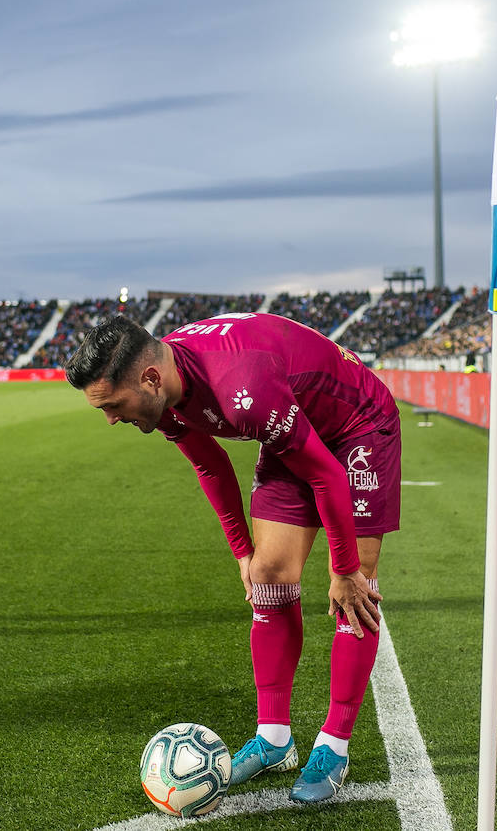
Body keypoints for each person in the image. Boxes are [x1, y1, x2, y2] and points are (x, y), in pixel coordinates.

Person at [65, 313, 397, 803]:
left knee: (354, 593)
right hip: (292, 430)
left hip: (356, 425)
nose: (112, 419)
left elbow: (327, 474)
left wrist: (344, 568)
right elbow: (209, 462)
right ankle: (274, 739)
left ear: (149, 379)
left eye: (113, 405)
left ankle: (334, 745)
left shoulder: (243, 388)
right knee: (267, 577)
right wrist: (242, 549)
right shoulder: (164, 391)